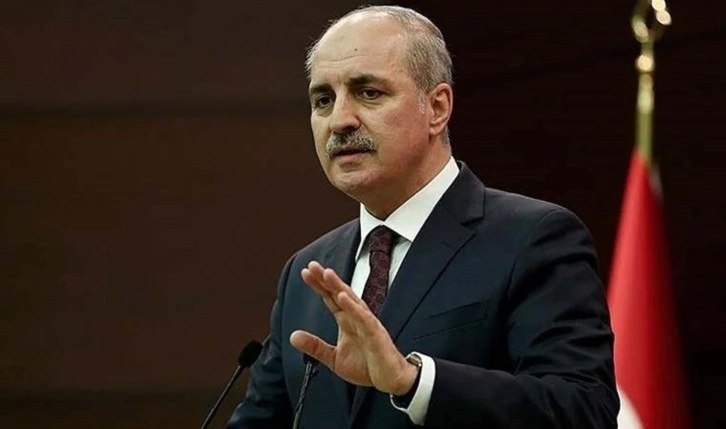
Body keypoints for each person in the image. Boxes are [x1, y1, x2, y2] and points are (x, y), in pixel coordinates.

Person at [227, 5, 619, 428]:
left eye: (369, 93)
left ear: (437, 107)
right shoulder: (306, 272)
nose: (339, 120)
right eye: (323, 100)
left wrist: (414, 382)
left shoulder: (533, 238)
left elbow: (584, 410)